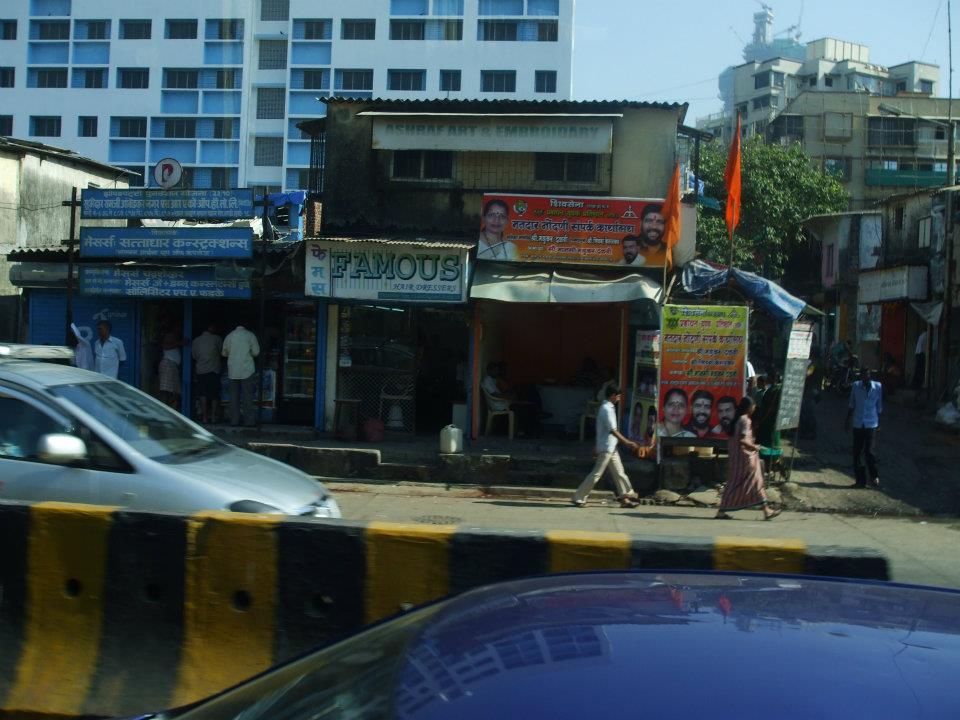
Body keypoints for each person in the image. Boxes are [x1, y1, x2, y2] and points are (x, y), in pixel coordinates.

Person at [571, 385, 641, 508]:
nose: (619, 398)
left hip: (611, 447)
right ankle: (578, 497)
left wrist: (596, 445)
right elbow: (612, 430)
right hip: (607, 448)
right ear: (613, 396)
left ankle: (625, 498)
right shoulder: (607, 409)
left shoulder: (607, 408)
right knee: (596, 474)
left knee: (619, 473)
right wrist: (627, 442)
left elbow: (602, 431)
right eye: (618, 396)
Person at [715, 396, 781, 520]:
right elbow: (743, 440)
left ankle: (721, 511)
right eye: (753, 406)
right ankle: (766, 511)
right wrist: (756, 447)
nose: (754, 408)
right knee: (756, 482)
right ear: (749, 407)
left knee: (733, 484)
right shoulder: (745, 420)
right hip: (746, 459)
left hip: (736, 459)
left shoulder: (736, 420)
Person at [845, 367, 882, 488]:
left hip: (871, 423)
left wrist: (879, 423)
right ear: (860, 376)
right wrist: (847, 420)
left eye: (867, 375)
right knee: (857, 453)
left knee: (869, 452)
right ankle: (860, 480)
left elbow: (879, 406)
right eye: (863, 376)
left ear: (870, 376)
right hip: (858, 423)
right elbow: (852, 403)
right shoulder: (856, 386)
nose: (865, 378)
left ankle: (874, 476)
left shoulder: (877, 387)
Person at [481, 362, 537, 437]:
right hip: (499, 405)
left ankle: (527, 430)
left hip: (503, 402)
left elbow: (502, 389)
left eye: (497, 371)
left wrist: (509, 394)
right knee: (524, 409)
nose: (497, 373)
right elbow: (495, 394)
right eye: (495, 370)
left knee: (527, 405)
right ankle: (524, 431)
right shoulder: (487, 380)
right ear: (489, 370)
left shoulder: (492, 379)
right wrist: (508, 396)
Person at [222, 323, 260, 427]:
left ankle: (234, 421)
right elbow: (256, 352)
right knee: (247, 396)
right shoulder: (250, 335)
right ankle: (249, 421)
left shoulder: (230, 336)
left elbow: (224, 353)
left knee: (233, 397)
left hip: (233, 370)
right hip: (247, 370)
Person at [192, 323, 223, 424]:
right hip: (214, 370)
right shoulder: (217, 338)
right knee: (214, 395)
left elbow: (194, 356)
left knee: (202, 394)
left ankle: (204, 418)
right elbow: (223, 352)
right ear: (210, 327)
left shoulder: (196, 340)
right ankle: (213, 417)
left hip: (201, 371)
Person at [158, 322, 188, 410]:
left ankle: (166, 408)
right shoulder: (170, 336)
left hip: (173, 366)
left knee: (177, 392)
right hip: (168, 365)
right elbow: (165, 346)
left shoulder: (175, 338)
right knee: (166, 391)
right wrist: (181, 343)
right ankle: (163, 410)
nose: (180, 329)